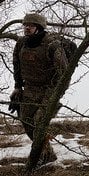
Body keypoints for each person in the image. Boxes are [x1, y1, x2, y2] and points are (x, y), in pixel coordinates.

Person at [11, 12, 68, 165]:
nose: (27, 28)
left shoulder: (52, 45)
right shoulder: (21, 43)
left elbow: (64, 72)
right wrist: (17, 87)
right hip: (30, 88)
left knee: (39, 123)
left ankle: (39, 157)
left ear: (39, 28)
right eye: (25, 25)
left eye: (31, 26)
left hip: (49, 89)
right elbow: (17, 65)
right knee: (26, 121)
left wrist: (56, 94)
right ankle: (48, 154)